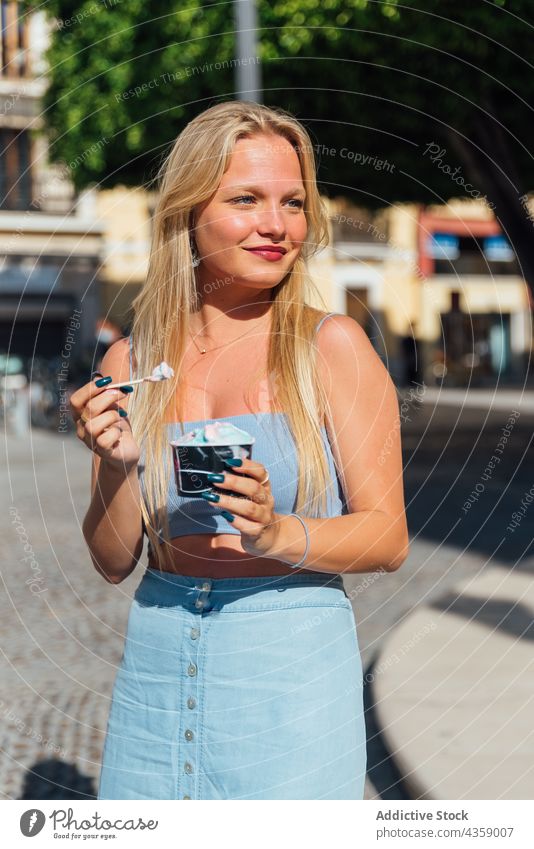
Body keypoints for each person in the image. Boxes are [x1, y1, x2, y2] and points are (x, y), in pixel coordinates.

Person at [69, 101, 409, 800]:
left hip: (289, 666)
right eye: (246, 199)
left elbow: (388, 535)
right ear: (190, 212)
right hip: (158, 660)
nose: (276, 225)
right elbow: (112, 561)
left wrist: (278, 530)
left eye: (293, 202)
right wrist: (116, 463)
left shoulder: (331, 346)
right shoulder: (133, 357)